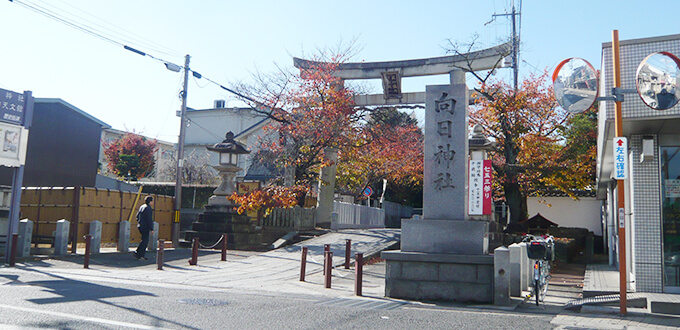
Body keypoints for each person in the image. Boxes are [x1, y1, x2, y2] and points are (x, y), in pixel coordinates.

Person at [134, 196, 154, 260]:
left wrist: (139, 221)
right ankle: (140, 255)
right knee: (145, 241)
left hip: (140, 225)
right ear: (150, 201)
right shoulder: (148, 208)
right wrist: (151, 228)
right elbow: (149, 219)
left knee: (143, 240)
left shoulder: (142, 206)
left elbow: (137, 216)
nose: (152, 203)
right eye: (152, 201)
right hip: (145, 226)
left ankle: (138, 252)